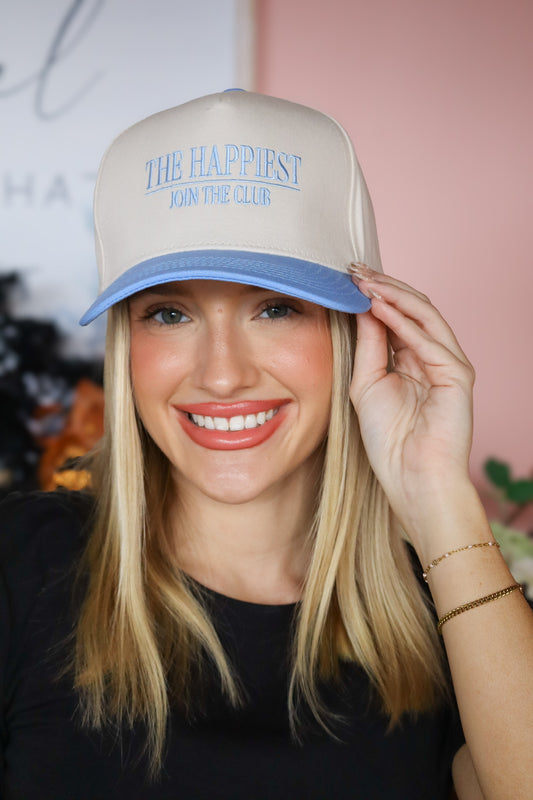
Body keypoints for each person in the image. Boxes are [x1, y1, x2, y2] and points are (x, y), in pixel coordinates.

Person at [1, 89, 532, 800]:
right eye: (169, 312)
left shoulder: (457, 622)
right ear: (126, 346)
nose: (222, 373)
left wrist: (439, 497)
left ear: (360, 331)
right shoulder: (16, 569)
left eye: (275, 307)